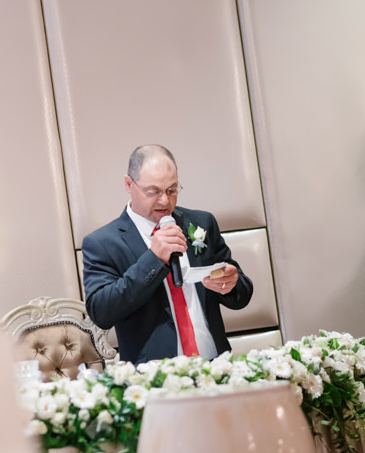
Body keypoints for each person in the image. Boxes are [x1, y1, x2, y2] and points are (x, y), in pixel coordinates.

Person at [82, 144, 253, 363]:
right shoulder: (102, 243)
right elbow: (101, 313)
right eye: (153, 192)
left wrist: (231, 284)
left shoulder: (201, 223)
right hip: (155, 376)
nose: (164, 200)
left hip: (216, 367)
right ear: (129, 184)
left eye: (172, 190)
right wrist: (154, 259)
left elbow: (241, 296)